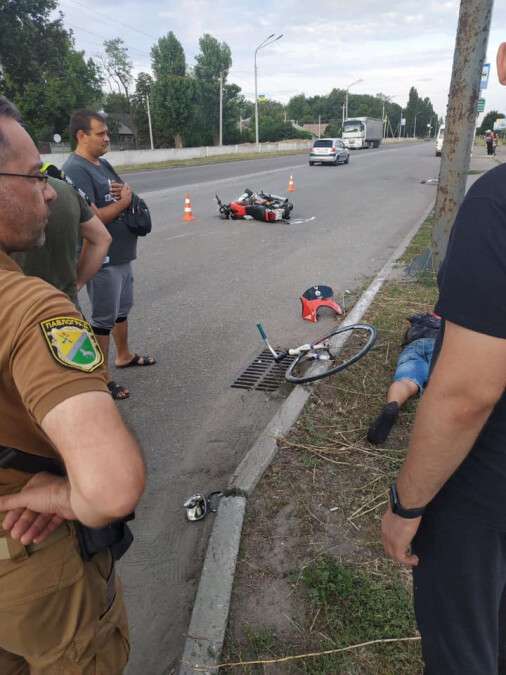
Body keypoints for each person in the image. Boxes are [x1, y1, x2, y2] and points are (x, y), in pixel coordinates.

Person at [0, 96, 145, 673]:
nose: (47, 193)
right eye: (33, 176)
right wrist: (64, 496)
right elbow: (110, 489)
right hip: (28, 556)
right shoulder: (30, 307)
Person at [382, 42, 506, 675]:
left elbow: (466, 394)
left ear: (504, 63)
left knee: (468, 651)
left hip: (486, 497)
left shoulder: (497, 205)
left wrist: (406, 506)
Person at [63, 110, 155, 400]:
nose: (107, 138)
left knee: (122, 310)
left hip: (121, 253)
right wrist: (124, 201)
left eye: (106, 132)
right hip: (101, 259)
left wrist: (126, 194)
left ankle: (124, 355)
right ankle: (101, 379)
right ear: (81, 135)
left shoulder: (101, 164)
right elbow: (90, 217)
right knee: (103, 319)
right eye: (100, 133)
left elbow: (123, 192)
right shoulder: (76, 169)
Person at [13, 164, 112, 306]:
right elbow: (102, 238)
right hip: (65, 304)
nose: (49, 194)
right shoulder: (64, 188)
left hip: (17, 310)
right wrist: (76, 284)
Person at [367, 313, 440, 445]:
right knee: (443, 382)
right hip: (439, 348)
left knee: (406, 381)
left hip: (413, 347)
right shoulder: (453, 327)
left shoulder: (420, 321)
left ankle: (393, 404)